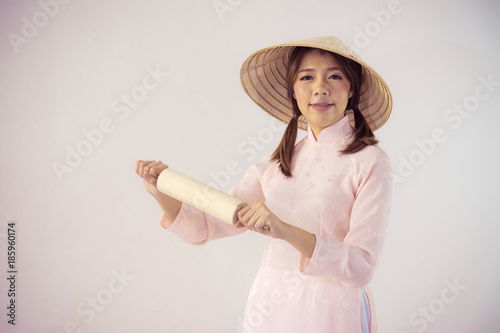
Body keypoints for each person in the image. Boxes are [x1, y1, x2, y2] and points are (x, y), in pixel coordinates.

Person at [135, 36, 393, 333]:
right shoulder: (276, 163)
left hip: (331, 309)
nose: (320, 87)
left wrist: (284, 230)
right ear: (293, 91)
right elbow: (206, 226)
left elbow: (361, 265)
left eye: (335, 76)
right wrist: (161, 191)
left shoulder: (371, 161)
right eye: (307, 77)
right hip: (270, 305)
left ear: (351, 90)